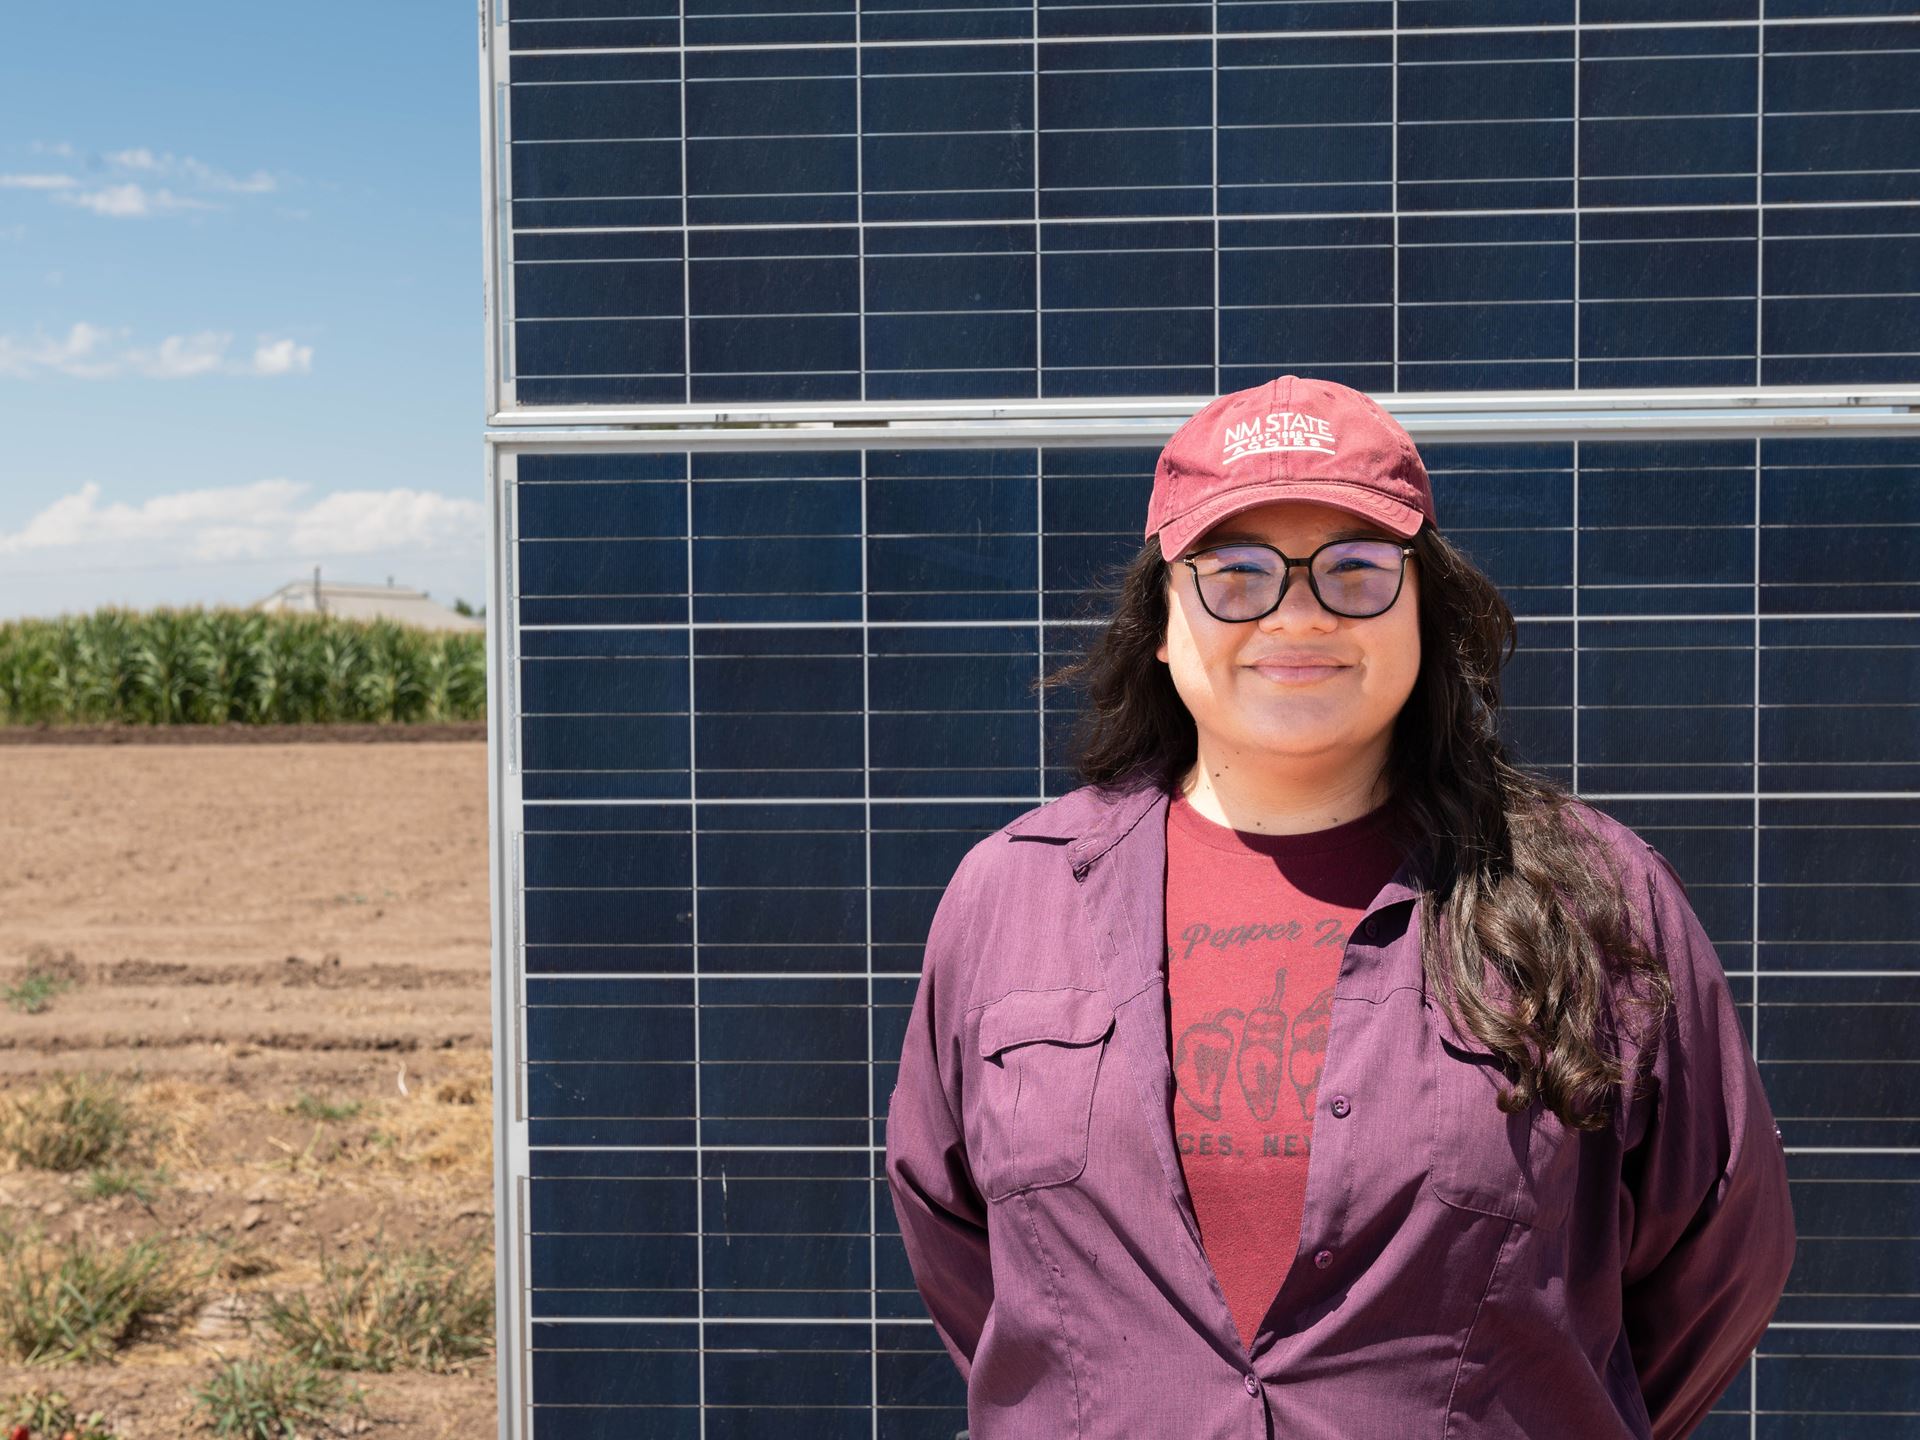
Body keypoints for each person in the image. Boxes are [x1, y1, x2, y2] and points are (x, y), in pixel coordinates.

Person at [883, 374, 1796, 1440]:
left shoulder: (1593, 899)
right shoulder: (1013, 898)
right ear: (1166, 622)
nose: (1298, 613)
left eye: (1356, 570)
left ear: (1425, 608)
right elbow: (970, 1259)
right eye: (1237, 574)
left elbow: (1718, 1261)